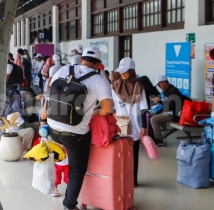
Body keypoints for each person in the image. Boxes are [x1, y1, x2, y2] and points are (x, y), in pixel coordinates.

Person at [40, 47, 113, 210]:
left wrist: (43, 119)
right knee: (77, 169)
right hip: (75, 133)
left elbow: (49, 97)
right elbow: (107, 109)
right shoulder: (100, 80)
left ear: (81, 59)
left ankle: (56, 186)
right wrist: (97, 110)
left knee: (62, 158)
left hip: (53, 128)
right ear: (99, 64)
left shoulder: (63, 70)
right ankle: (69, 205)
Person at [111, 57, 148, 188]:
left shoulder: (139, 87)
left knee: (133, 156)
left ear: (132, 71)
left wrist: (144, 125)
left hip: (135, 126)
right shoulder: (116, 86)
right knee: (120, 154)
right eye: (121, 72)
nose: (123, 74)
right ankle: (121, 178)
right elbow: (113, 106)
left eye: (125, 71)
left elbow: (143, 107)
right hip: (120, 125)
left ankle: (133, 181)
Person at [150, 75, 190, 146]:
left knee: (154, 119)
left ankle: (158, 140)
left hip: (175, 114)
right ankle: (151, 136)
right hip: (170, 111)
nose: (159, 87)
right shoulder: (167, 91)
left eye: (159, 85)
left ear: (164, 82)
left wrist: (159, 101)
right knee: (151, 114)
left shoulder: (173, 91)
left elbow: (170, 106)